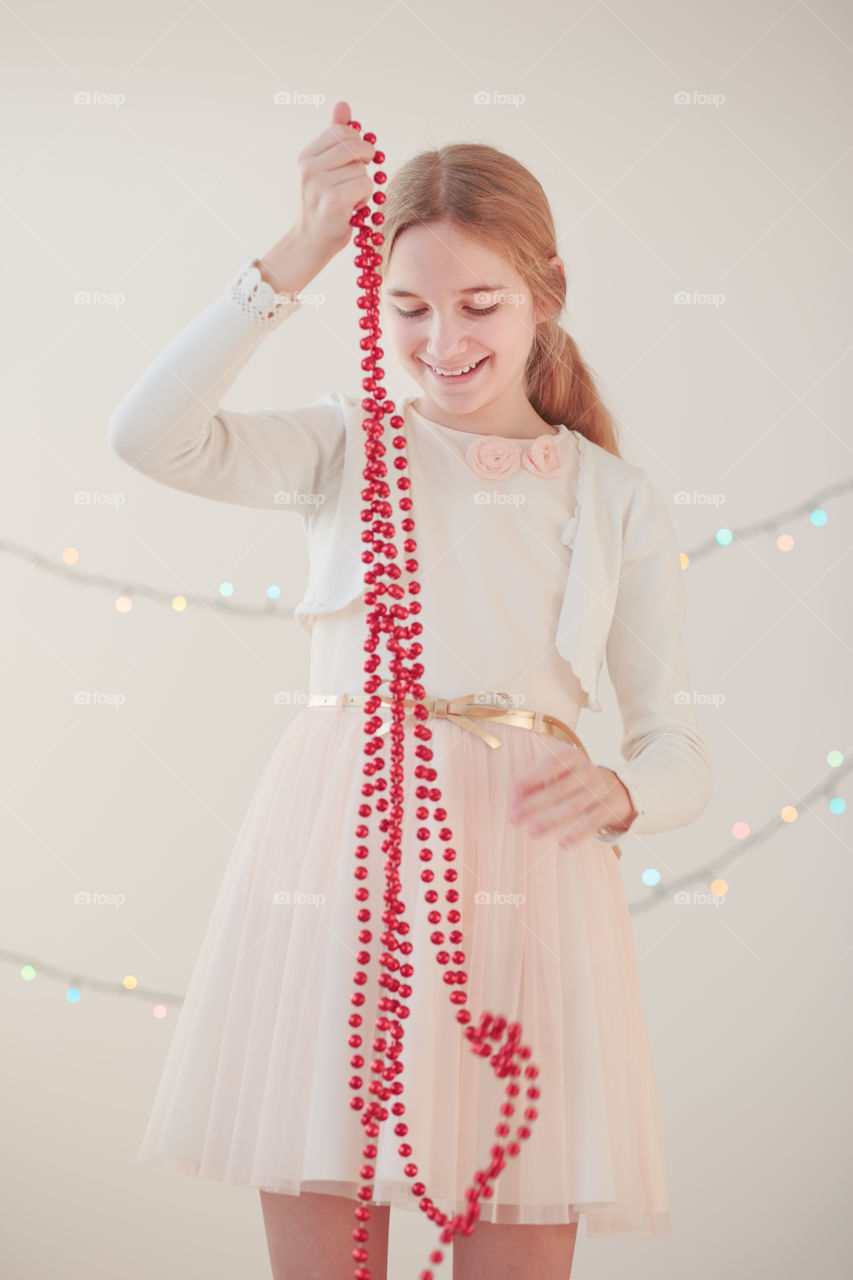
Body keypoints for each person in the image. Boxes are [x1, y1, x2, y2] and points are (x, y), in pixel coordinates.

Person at [108, 100, 713, 1280]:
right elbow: (149, 436)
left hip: (531, 885)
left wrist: (626, 792)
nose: (441, 339)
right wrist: (296, 254)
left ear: (546, 291)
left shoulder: (613, 496)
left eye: (478, 304)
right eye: (408, 307)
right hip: (345, 861)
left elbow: (676, 744)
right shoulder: (348, 444)